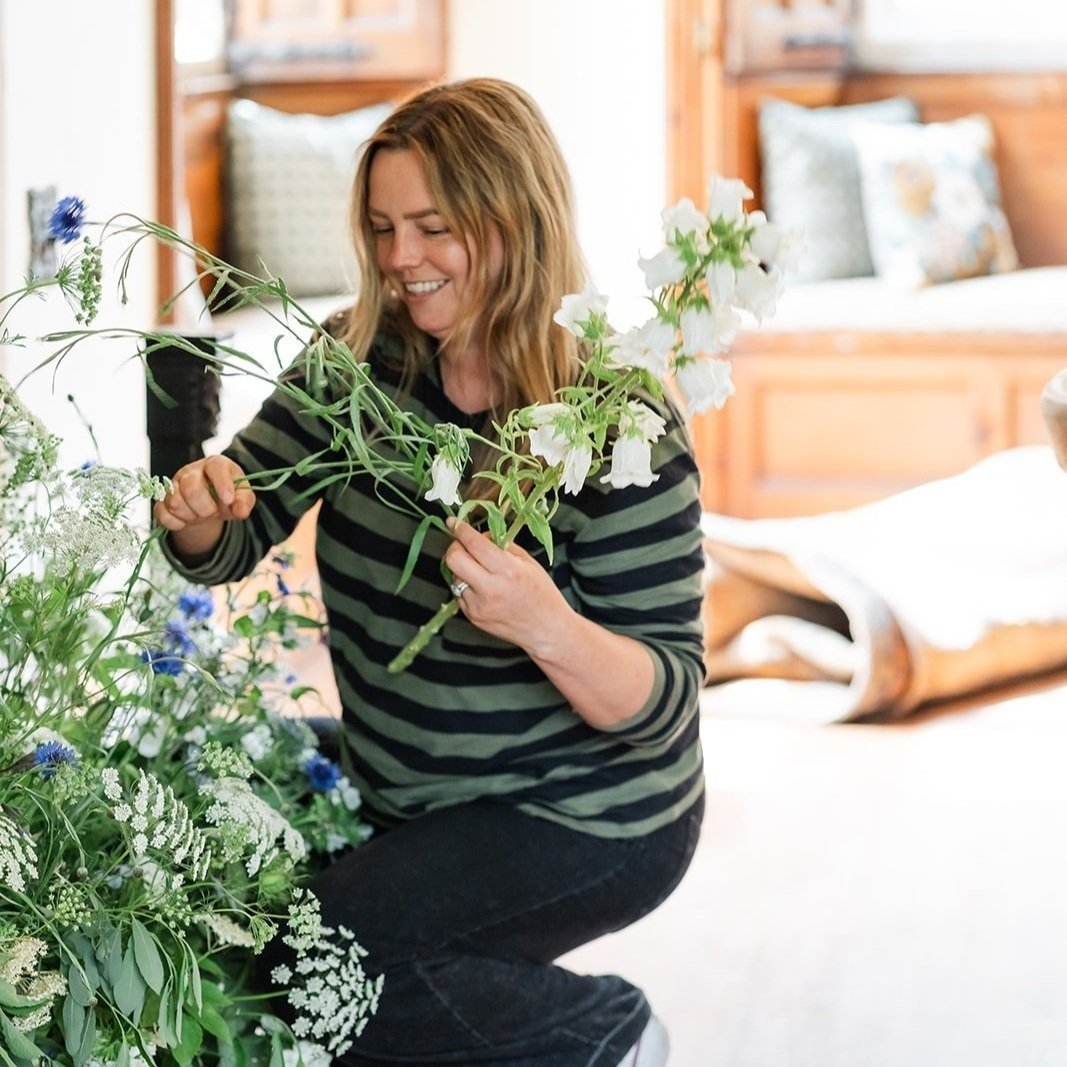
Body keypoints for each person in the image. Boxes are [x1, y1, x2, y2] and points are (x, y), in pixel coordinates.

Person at [156, 78, 705, 1067]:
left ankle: (601, 1033)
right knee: (181, 805)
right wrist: (200, 518)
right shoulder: (354, 365)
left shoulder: (615, 421)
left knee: (320, 952)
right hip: (401, 780)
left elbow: (661, 702)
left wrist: (541, 620)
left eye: (430, 226)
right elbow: (236, 537)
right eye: (379, 227)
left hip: (586, 812)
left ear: (515, 221)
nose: (398, 259)